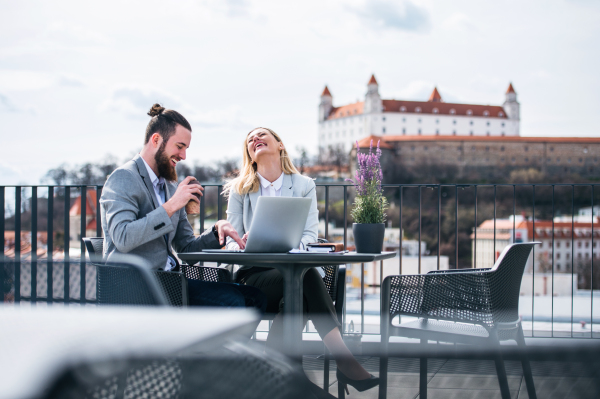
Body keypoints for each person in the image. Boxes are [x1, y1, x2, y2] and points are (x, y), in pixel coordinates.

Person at [224, 127, 379, 394]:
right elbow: (229, 241)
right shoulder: (240, 189)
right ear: (249, 154)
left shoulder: (304, 185)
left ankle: (278, 375)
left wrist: (293, 244)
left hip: (292, 274)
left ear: (280, 145)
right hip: (255, 277)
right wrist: (242, 242)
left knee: (295, 292)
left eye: (262, 135)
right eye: (250, 139)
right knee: (305, 277)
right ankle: (343, 359)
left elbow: (309, 235)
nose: (255, 139)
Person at [100, 104, 266, 312]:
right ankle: (206, 345)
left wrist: (216, 233)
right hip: (136, 287)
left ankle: (208, 345)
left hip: (170, 282)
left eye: (186, 148)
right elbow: (122, 238)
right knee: (235, 302)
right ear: (156, 140)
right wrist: (171, 206)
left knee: (254, 298)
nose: (184, 155)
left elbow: (186, 248)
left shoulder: (169, 186)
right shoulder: (124, 178)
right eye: (180, 146)